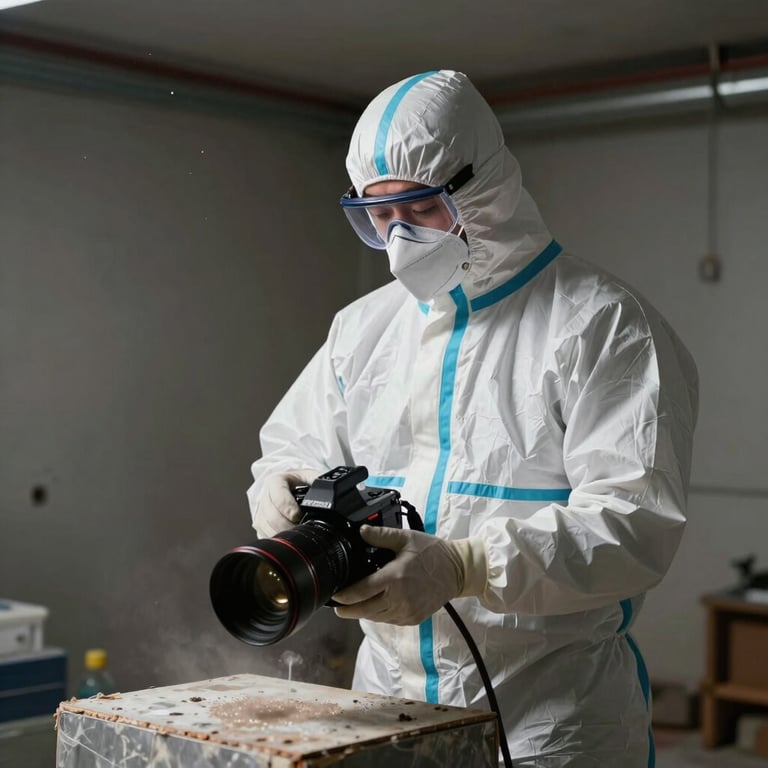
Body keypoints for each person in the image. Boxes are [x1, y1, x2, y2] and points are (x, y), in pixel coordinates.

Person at [247, 70, 698, 767]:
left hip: (550, 721)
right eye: (375, 213)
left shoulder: (600, 325)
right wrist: (284, 484)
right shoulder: (362, 330)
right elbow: (293, 444)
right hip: (384, 706)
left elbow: (633, 525)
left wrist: (466, 565)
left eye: (418, 208)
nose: (397, 240)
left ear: (481, 185)